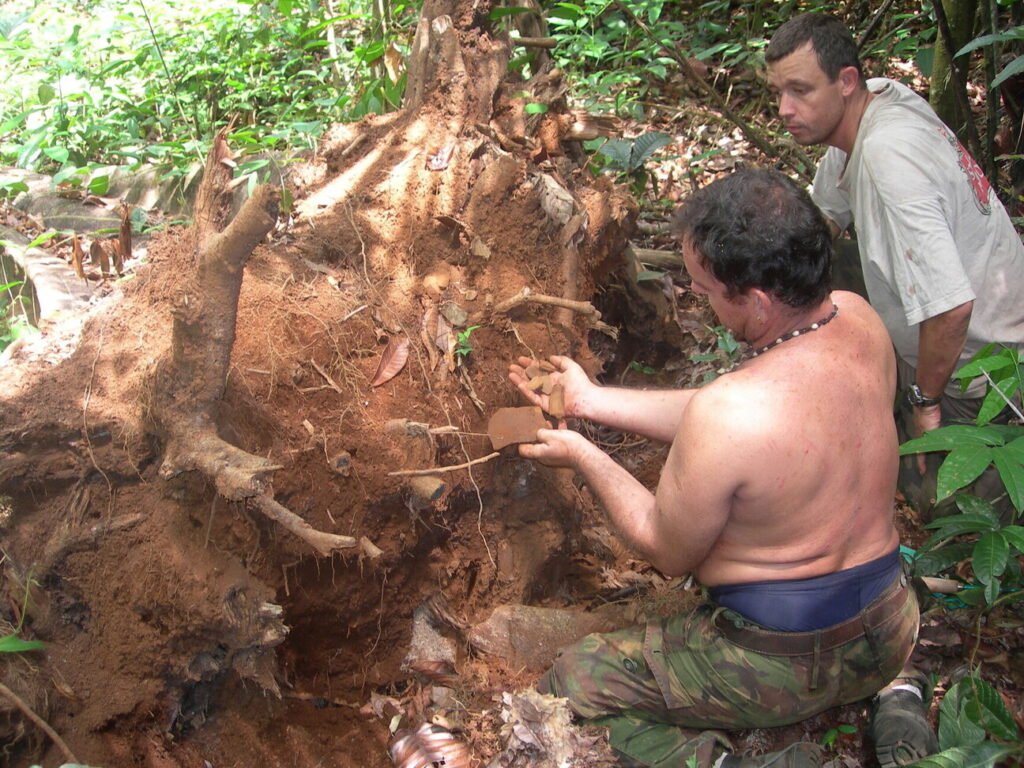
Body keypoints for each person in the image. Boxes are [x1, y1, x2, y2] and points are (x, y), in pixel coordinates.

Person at [507, 169, 919, 768]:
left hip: (780, 663)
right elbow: (753, 426)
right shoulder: (858, 321)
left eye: (703, 290)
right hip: (890, 623)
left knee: (575, 681)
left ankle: (730, 763)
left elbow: (665, 548)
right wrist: (592, 400)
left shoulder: (729, 412)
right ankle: (900, 697)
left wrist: (582, 454)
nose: (693, 297)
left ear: (754, 301)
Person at [765, 12, 1024, 521]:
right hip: (946, 331)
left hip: (984, 375)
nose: (784, 109)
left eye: (800, 90)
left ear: (846, 82)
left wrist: (925, 405)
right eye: (778, 92)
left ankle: (902, 414)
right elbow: (819, 224)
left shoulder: (889, 157)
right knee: (810, 253)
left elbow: (951, 309)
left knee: (938, 508)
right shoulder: (878, 99)